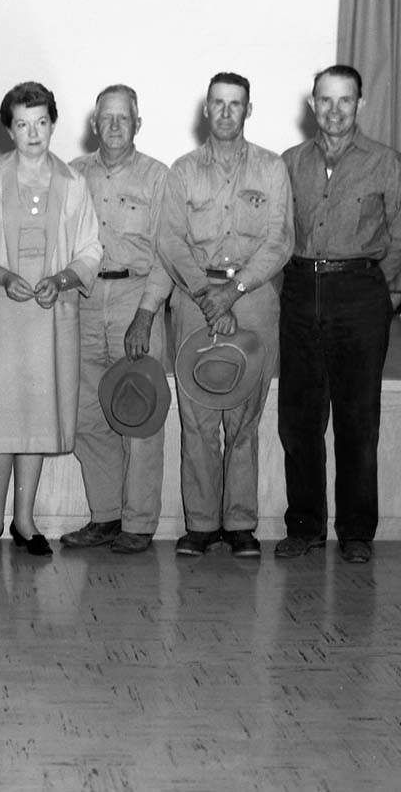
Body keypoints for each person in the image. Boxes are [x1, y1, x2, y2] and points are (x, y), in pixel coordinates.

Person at [0, 81, 101, 557]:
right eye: (22, 124)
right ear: (9, 130)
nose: (33, 132)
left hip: (48, 317)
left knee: (36, 416)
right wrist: (0, 275)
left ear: (53, 125)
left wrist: (60, 280)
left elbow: (90, 250)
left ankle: (26, 520)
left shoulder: (74, 183)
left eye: (41, 122)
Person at [275, 64, 401, 565]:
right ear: (312, 105)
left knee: (358, 419)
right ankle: (305, 526)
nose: (335, 111)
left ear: (361, 104)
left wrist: (374, 287)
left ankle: (356, 531)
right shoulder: (289, 162)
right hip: (299, 288)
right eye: (325, 100)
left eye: (345, 100)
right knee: (299, 420)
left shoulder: (386, 163)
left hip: (359, 290)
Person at [158, 72, 292, 558]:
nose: (226, 112)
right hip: (195, 297)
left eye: (236, 104)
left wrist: (232, 292)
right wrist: (204, 292)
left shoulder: (272, 169)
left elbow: (278, 241)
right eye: (218, 103)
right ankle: (199, 525)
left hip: (252, 296)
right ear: (206, 109)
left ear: (248, 110)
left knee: (243, 416)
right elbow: (171, 239)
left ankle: (238, 524)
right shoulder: (182, 171)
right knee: (196, 416)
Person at [63, 85, 172, 554]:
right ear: (94, 124)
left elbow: (168, 254)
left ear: (137, 124)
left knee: (140, 415)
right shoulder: (71, 175)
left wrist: (146, 314)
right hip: (84, 302)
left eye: (122, 118)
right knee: (89, 416)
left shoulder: (157, 177)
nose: (113, 126)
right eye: (105, 118)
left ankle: (139, 523)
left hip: (135, 297)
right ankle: (105, 516)